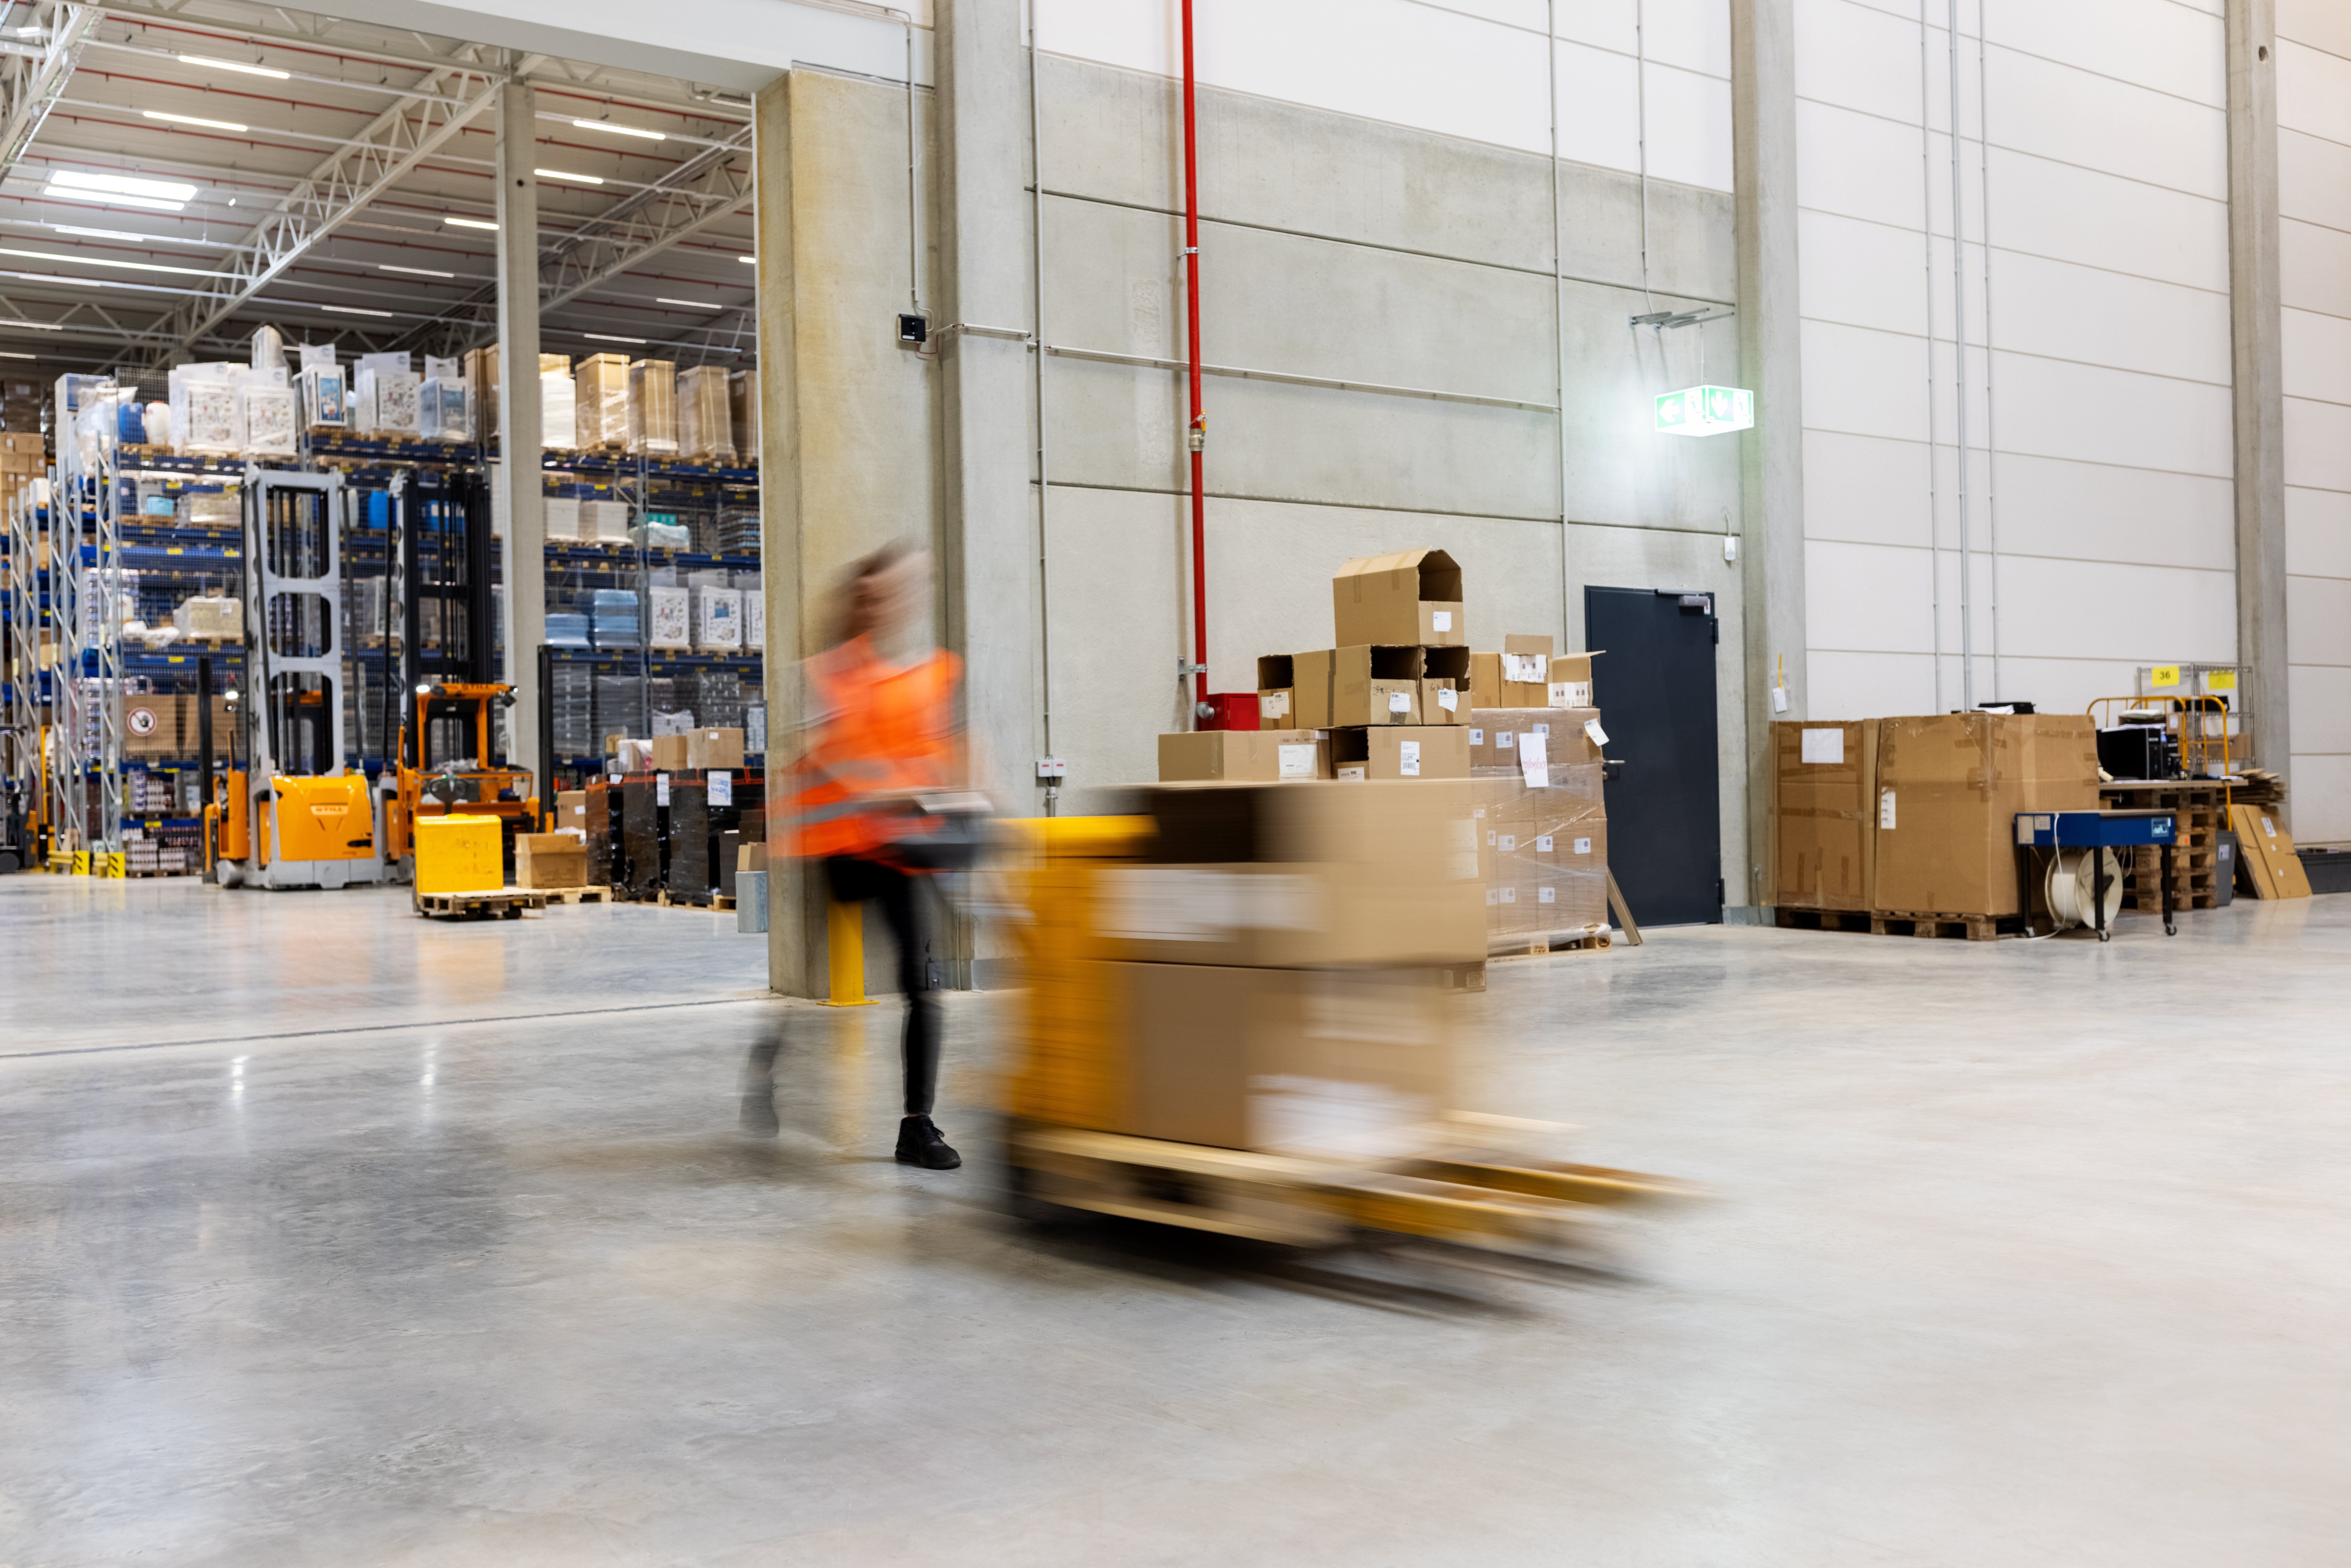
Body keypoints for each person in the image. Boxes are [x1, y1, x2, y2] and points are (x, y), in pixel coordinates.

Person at [751, 543, 967, 1170]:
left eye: (901, 591)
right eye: (875, 595)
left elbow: (944, 747)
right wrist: (889, 787)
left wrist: (967, 798)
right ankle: (766, 1070)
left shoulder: (928, 671)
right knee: (811, 979)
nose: (889, 604)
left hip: (899, 845)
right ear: (859, 602)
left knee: (919, 980)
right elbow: (837, 755)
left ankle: (916, 1125)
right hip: (839, 847)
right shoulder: (828, 671)